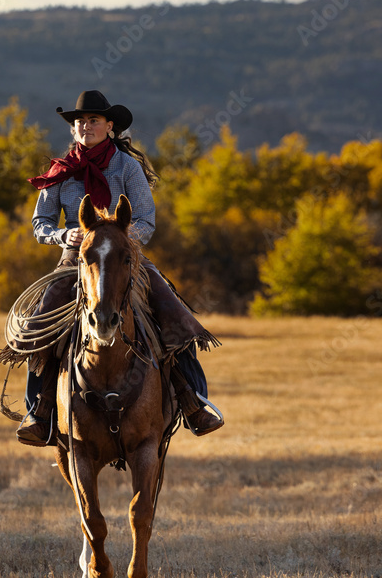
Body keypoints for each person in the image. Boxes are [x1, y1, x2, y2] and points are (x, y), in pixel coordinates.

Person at [14, 90, 224, 446]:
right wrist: (67, 234)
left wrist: (121, 239)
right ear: (74, 130)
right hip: (76, 258)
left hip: (127, 255)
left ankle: (193, 400)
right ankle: (41, 409)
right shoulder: (59, 172)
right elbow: (40, 224)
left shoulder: (127, 168)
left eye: (94, 121)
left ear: (110, 127)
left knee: (172, 310)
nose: (86, 126)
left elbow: (145, 219)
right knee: (41, 320)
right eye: (80, 122)